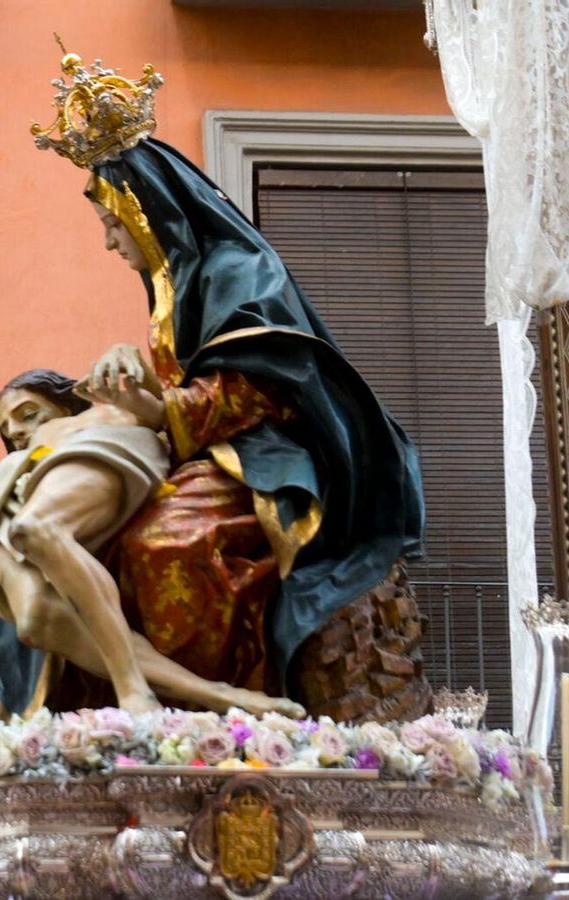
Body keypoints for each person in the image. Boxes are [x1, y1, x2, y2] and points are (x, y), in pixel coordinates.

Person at [37, 49, 425, 706]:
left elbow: (259, 385)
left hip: (266, 456)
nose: (108, 242)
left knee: (166, 541)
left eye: (112, 224)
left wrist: (161, 411)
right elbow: (173, 392)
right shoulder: (173, 283)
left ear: (145, 212)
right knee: (90, 535)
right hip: (200, 453)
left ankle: (223, 706)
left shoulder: (240, 271)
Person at [0, 368, 302, 720]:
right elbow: (5, 629)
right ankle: (221, 696)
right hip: (20, 492)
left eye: (29, 414)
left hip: (92, 457)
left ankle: (132, 687)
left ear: (68, 401)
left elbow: (163, 396)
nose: (20, 432)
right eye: (10, 433)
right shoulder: (22, 463)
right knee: (33, 621)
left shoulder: (108, 410)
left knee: (37, 529)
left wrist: (127, 364)